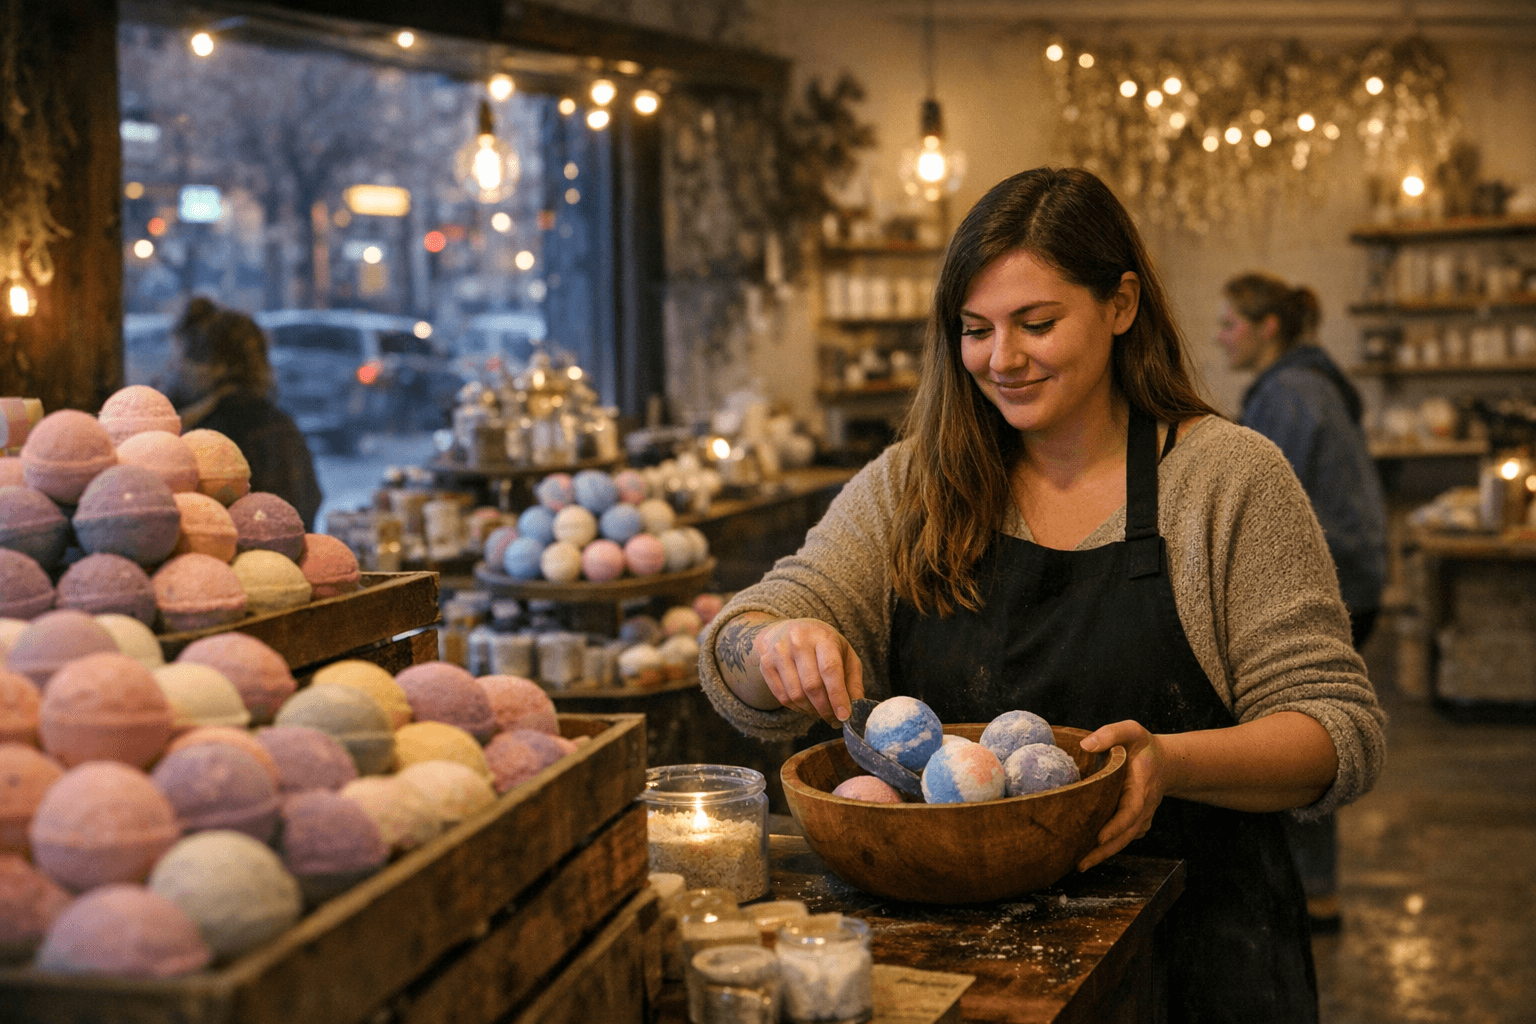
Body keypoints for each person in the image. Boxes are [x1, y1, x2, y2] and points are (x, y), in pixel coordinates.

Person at [699, 167, 1385, 1022]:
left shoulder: (1225, 480)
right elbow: (744, 639)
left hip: (1197, 960)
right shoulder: (916, 484)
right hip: (961, 977)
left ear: (1121, 304)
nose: (1001, 359)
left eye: (1037, 323)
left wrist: (1169, 764)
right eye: (975, 329)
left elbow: (1335, 731)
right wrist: (773, 642)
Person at [1216, 272, 1389, 934]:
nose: (1221, 337)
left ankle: (1312, 891)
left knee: (1289, 719)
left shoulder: (1288, 392)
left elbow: (1261, 517)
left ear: (1267, 329)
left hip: (1335, 580)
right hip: (1357, 575)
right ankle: (1314, 886)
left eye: (1230, 323)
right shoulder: (1309, 383)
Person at [166, 297, 324, 530]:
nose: (174, 366)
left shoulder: (207, 434)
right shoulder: (282, 424)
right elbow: (309, 504)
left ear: (208, 364)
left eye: (181, 355)